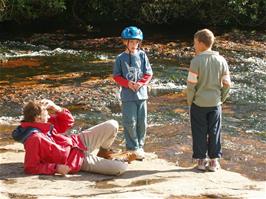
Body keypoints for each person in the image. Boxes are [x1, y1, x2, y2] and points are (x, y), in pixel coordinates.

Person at [12, 99, 135, 176]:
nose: (49, 116)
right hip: (75, 160)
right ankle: (107, 160)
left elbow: (69, 122)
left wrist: (57, 108)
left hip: (78, 142)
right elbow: (30, 167)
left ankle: (103, 153)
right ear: (37, 118)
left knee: (112, 124)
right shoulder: (34, 138)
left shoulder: (43, 124)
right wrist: (56, 168)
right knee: (121, 168)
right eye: (47, 114)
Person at [187, 29, 231, 172]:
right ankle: (214, 162)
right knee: (215, 131)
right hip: (215, 103)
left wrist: (190, 101)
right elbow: (227, 84)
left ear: (200, 43)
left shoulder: (196, 61)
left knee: (199, 131)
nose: (194, 46)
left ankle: (201, 161)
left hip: (198, 103)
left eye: (195, 43)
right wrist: (221, 98)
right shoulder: (222, 60)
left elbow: (191, 85)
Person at [113, 26, 153, 160]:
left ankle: (140, 146)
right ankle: (132, 147)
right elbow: (116, 76)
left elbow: (148, 73)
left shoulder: (142, 55)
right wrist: (127, 84)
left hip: (141, 95)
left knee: (142, 122)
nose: (134, 45)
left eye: (137, 42)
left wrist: (141, 83)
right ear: (126, 42)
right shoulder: (120, 58)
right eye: (132, 42)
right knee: (130, 122)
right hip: (127, 96)